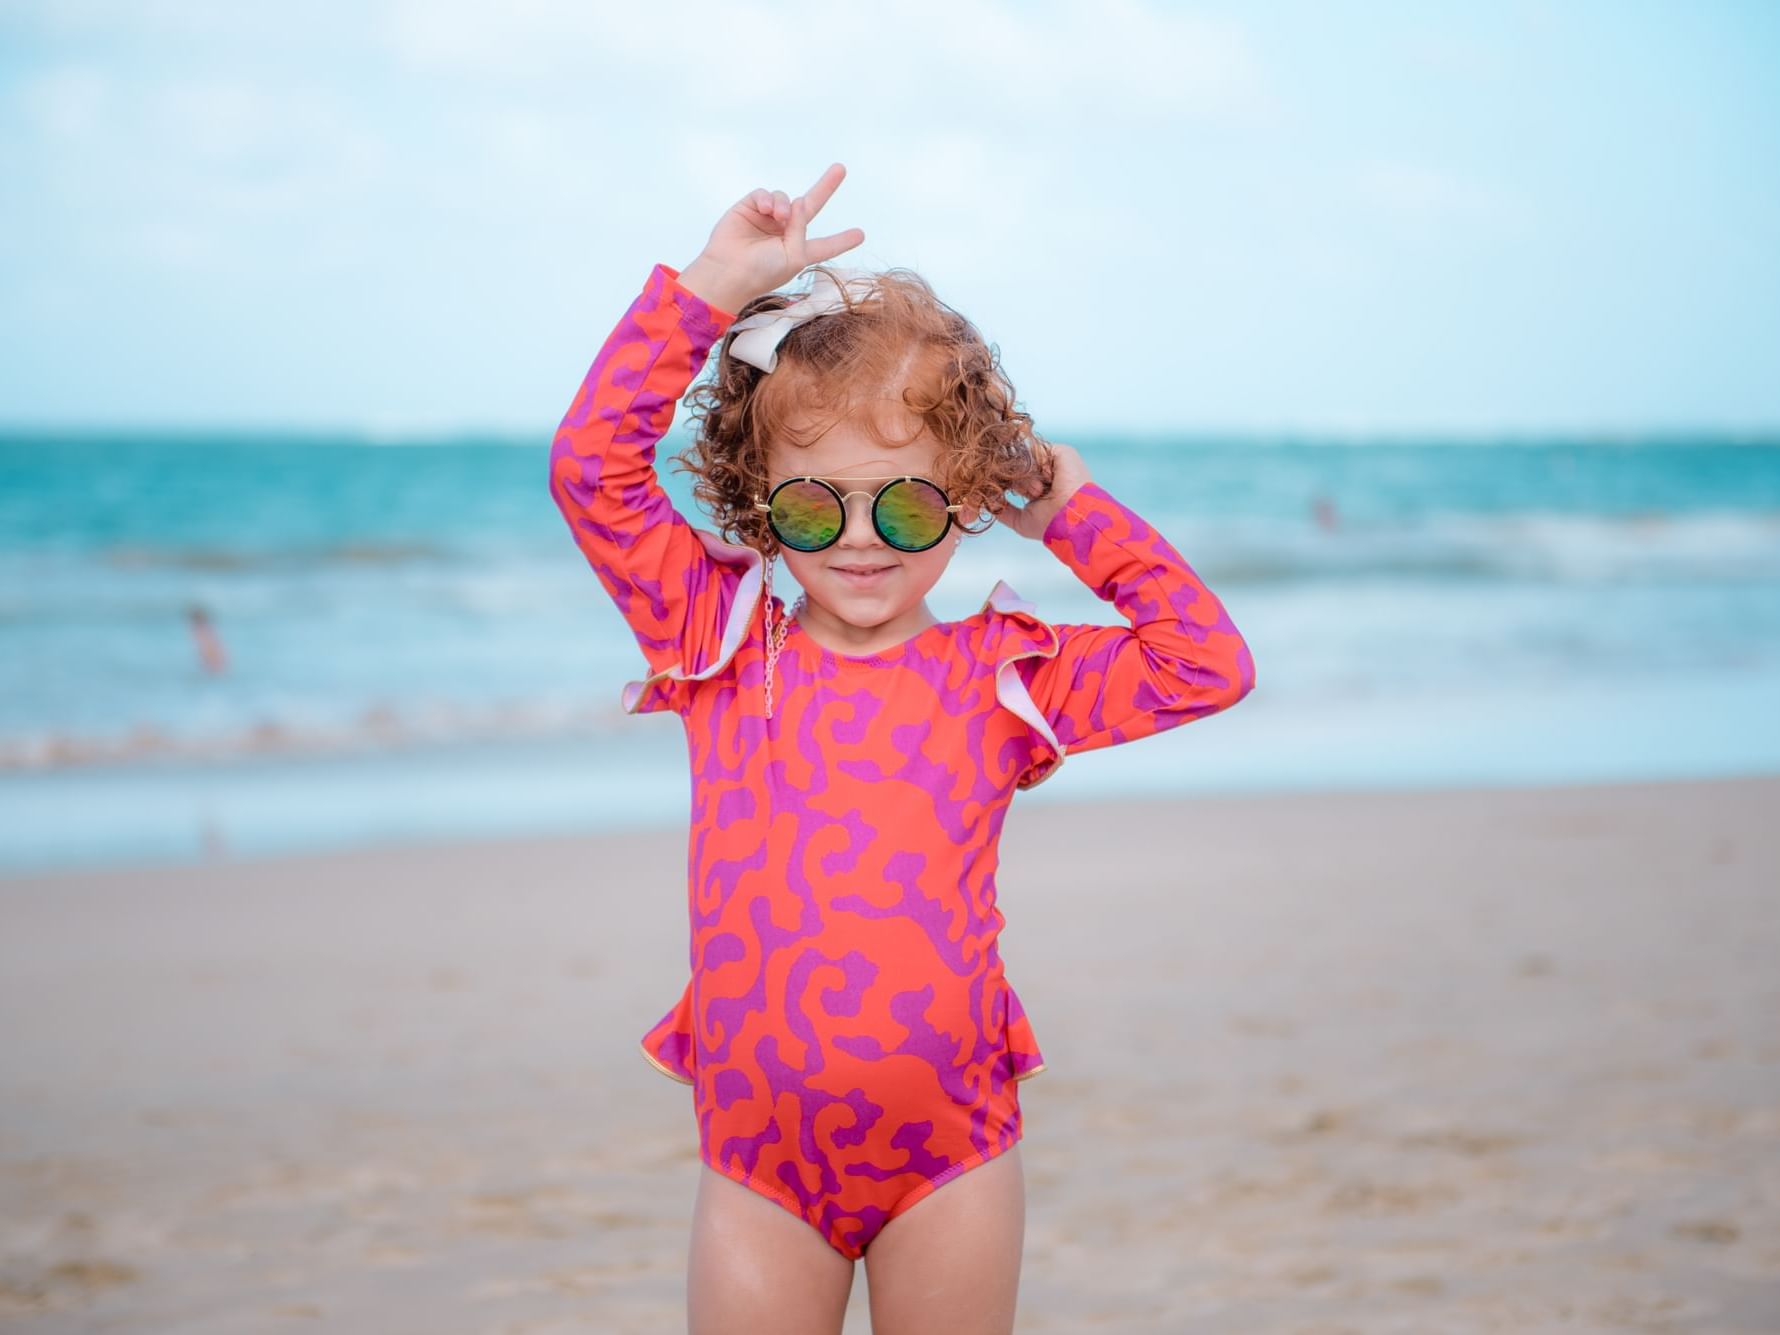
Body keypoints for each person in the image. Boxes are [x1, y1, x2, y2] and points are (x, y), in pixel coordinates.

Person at [548, 162, 1256, 1335]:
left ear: (967, 492)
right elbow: (592, 469)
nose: (863, 541)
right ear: (753, 498)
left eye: (911, 506)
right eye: (815, 506)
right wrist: (716, 283)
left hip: (952, 1159)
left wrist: (1075, 519)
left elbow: (1204, 662)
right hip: (759, 1169)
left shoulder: (1006, 677)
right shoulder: (718, 643)